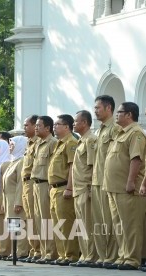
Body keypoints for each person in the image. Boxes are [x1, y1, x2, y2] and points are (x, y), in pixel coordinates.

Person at [105, 102, 146, 270]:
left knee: (130, 224)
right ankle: (123, 255)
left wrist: (130, 181)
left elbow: (136, 159)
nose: (116, 115)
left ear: (129, 115)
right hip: (114, 187)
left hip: (127, 187)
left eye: (120, 112)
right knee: (119, 225)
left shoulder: (135, 133)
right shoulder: (121, 133)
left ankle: (132, 258)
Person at [91, 95, 119, 268]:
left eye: (98, 108)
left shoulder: (114, 129)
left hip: (108, 181)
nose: (95, 111)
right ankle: (103, 256)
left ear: (108, 108)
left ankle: (113, 256)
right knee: (99, 222)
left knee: (110, 221)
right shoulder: (99, 130)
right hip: (96, 181)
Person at [48, 114, 79, 266]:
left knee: (66, 223)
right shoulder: (59, 143)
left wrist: (69, 187)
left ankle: (71, 254)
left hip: (63, 187)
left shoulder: (71, 142)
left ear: (67, 127)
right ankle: (62, 255)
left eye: (57, 124)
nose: (54, 127)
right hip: (55, 189)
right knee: (57, 224)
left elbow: (73, 166)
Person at [70, 110, 98, 267]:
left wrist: (90, 188)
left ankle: (90, 255)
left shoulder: (91, 140)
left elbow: (93, 166)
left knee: (87, 223)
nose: (74, 124)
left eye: (76, 121)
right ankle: (84, 254)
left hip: (85, 187)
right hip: (78, 187)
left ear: (85, 123)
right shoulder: (81, 140)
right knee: (80, 223)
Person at [31, 116, 58, 264]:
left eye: (39, 126)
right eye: (35, 125)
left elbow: (52, 166)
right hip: (36, 183)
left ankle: (51, 252)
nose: (36, 128)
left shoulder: (52, 143)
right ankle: (43, 251)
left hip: (46, 184)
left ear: (47, 128)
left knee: (47, 220)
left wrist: (49, 186)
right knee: (39, 220)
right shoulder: (38, 143)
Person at [2, 136, 29, 261]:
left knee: (19, 226)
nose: (10, 147)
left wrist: (18, 202)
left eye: (12, 145)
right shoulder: (12, 161)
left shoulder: (21, 161)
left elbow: (20, 183)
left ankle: (21, 251)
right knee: (12, 226)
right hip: (8, 199)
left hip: (15, 200)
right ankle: (14, 250)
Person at [20, 115, 41, 263]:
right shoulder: (29, 143)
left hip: (35, 182)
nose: (24, 128)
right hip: (26, 183)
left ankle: (40, 250)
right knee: (29, 219)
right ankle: (34, 249)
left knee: (37, 218)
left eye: (27, 125)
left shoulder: (40, 143)